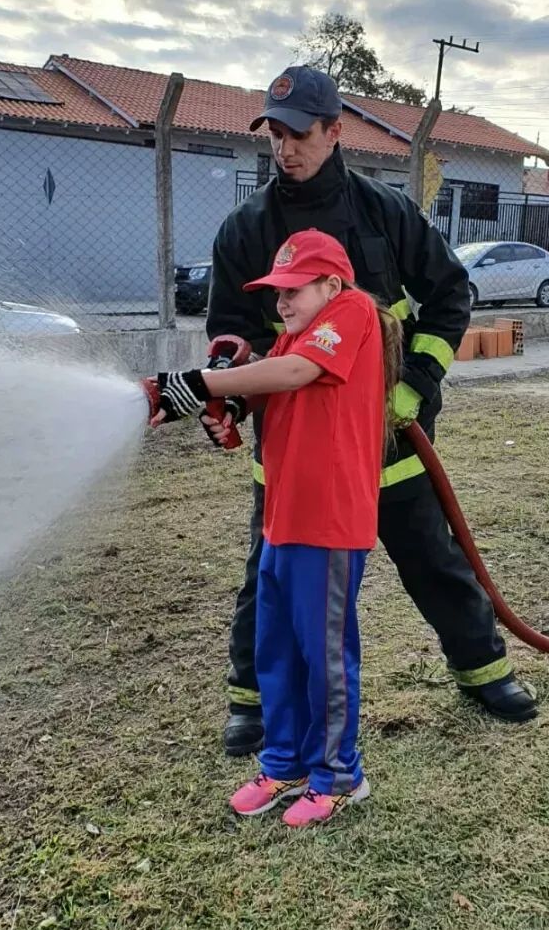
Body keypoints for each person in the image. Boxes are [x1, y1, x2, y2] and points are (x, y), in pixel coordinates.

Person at [206, 65, 536, 756]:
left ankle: (484, 671)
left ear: (334, 131)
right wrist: (230, 392)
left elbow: (449, 296)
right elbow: (232, 333)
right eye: (274, 134)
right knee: (271, 572)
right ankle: (251, 701)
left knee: (430, 555)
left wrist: (412, 386)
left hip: (389, 436)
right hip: (294, 444)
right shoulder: (245, 228)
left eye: (299, 134)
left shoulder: (385, 212)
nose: (284, 148)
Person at [150, 230, 402, 825]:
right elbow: (275, 383)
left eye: (294, 289)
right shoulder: (297, 332)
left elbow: (294, 374)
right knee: (277, 650)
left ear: (332, 285)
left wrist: (197, 384)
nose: (282, 301)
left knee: (324, 655)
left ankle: (339, 776)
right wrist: (232, 407)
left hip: (329, 520)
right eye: (277, 291)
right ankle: (285, 762)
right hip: (283, 516)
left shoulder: (353, 312)